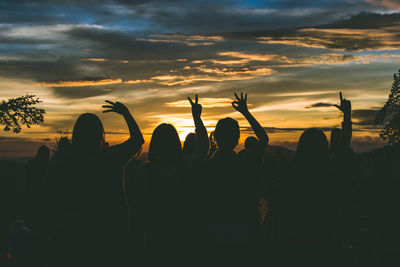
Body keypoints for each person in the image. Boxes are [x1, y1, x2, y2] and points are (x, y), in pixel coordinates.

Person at [44, 100, 144, 266]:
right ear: (100, 134)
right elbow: (137, 141)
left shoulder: (62, 158)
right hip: (106, 231)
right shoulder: (109, 157)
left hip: (68, 230)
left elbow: (49, 194)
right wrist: (126, 113)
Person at [125, 94, 208, 267]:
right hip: (185, 234)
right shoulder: (186, 165)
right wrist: (197, 118)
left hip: (155, 236)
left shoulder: (145, 171)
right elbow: (203, 148)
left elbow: (137, 209)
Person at [273, 92, 353, 266]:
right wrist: (347, 116)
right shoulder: (328, 172)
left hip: (295, 242)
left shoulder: (291, 176)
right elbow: (344, 145)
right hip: (324, 239)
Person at [201, 92, 268, 267]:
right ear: (237, 138)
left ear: (216, 137)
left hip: (214, 230)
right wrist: (246, 112)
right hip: (244, 228)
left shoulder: (207, 166)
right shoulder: (244, 162)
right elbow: (264, 139)